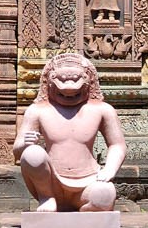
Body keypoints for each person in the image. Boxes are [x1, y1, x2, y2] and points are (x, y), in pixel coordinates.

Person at [13, 52, 126, 212]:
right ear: (48, 81)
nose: (69, 88)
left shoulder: (102, 110)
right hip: (51, 182)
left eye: (76, 80)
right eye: (62, 81)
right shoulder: (37, 111)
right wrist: (25, 143)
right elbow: (17, 151)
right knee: (32, 154)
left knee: (105, 195)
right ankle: (47, 198)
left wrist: (110, 169)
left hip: (89, 180)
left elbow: (117, 145)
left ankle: (85, 211)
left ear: (90, 80)